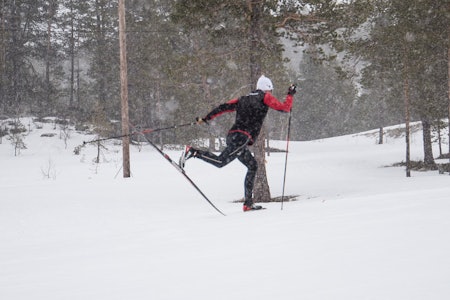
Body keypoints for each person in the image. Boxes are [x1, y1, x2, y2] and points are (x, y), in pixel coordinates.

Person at [179, 75, 296, 212]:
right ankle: (193, 152)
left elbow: (223, 107)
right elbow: (284, 108)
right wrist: (290, 95)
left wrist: (206, 118)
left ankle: (248, 203)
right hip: (241, 138)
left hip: (234, 136)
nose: (270, 93)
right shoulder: (265, 96)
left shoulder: (242, 99)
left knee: (252, 165)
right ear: (267, 89)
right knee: (220, 162)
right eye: (270, 90)